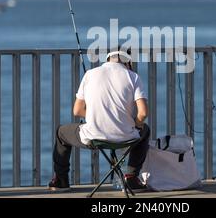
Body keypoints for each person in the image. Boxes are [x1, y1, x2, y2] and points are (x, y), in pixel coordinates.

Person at [48, 47, 150, 191]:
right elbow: (143, 113)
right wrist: (136, 124)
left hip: (94, 138)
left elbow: (77, 110)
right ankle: (132, 178)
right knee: (145, 130)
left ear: (108, 59)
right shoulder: (133, 77)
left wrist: (95, 115)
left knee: (61, 132)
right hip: (126, 137)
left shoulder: (90, 74)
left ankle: (61, 180)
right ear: (128, 62)